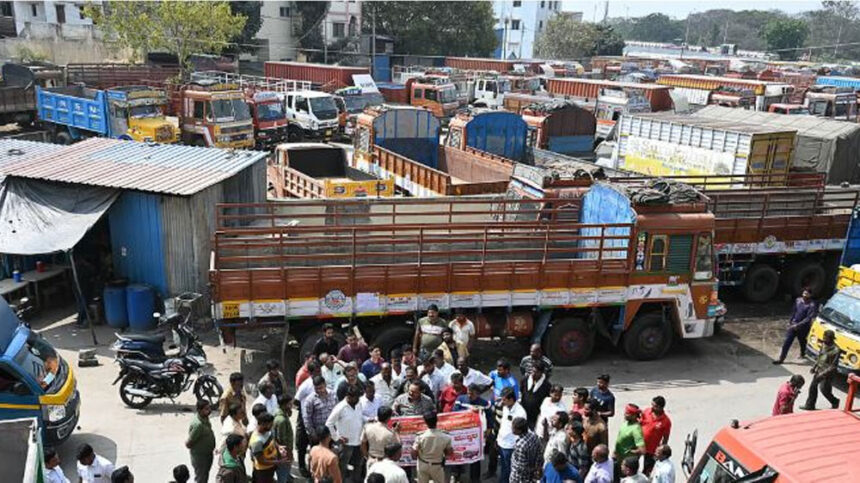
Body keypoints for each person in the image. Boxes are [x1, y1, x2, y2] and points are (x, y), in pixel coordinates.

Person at [453, 383, 493, 483]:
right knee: (459, 454)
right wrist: (469, 411)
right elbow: (454, 412)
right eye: (468, 393)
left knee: (475, 456)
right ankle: (456, 475)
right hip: (461, 434)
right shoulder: (461, 399)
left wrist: (488, 430)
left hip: (476, 436)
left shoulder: (484, 403)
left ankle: (475, 479)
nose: (469, 396)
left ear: (478, 393)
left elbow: (489, 417)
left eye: (472, 394)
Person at [327, 386, 366, 483]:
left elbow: (360, 417)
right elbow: (329, 423)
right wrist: (336, 437)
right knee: (342, 467)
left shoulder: (359, 404)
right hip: (345, 444)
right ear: (349, 396)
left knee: (358, 465)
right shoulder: (340, 407)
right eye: (355, 398)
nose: (357, 400)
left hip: (358, 441)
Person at [773, 288, 818, 364]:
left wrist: (798, 325)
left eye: (806, 294)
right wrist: (790, 322)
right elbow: (794, 311)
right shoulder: (798, 300)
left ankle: (803, 353)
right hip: (793, 325)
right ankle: (781, 358)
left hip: (803, 328)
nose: (804, 295)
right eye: (804, 293)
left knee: (802, 341)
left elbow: (808, 318)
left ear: (810, 295)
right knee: (787, 342)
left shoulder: (812, 305)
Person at [801, 329, 841, 410]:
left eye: (826, 338)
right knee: (812, 387)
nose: (824, 339)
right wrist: (814, 367)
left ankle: (835, 401)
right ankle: (810, 405)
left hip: (827, 373)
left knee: (824, 390)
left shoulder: (836, 350)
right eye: (824, 337)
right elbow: (820, 357)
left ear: (831, 339)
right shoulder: (823, 345)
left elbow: (833, 366)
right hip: (819, 370)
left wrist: (822, 374)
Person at [295, 361, 322, 478]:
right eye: (316, 371)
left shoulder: (321, 382)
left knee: (315, 444)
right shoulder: (306, 385)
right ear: (311, 372)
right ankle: (301, 466)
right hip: (305, 417)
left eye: (319, 370)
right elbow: (296, 400)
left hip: (316, 417)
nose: (319, 372)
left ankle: (313, 468)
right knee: (302, 443)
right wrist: (304, 409)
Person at [411, 411, 453, 483]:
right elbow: (449, 453)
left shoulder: (420, 436)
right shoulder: (446, 437)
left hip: (423, 464)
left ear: (425, 422)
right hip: (437, 465)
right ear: (437, 420)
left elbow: (413, 454)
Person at [498, 387, 528, 483]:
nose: (502, 402)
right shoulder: (506, 407)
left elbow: (520, 432)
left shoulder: (520, 413)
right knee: (503, 467)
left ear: (511, 400)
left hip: (510, 445)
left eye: (504, 400)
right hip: (501, 442)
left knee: (508, 469)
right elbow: (503, 424)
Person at [249, 412, 288, 483]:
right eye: (270, 424)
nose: (272, 426)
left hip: (270, 467)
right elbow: (261, 461)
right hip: (263, 471)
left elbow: (272, 440)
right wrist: (278, 462)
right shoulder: (257, 441)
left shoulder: (267, 431)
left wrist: (279, 447)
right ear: (263, 424)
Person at [186, 399, 216, 483]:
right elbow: (188, 443)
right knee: (200, 479)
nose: (209, 410)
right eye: (206, 409)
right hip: (200, 458)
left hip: (207, 455)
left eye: (209, 408)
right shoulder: (198, 425)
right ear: (199, 410)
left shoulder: (205, 418)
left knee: (204, 477)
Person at [303, 376, 339, 445]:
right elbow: (307, 419)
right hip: (318, 435)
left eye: (321, 388)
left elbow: (337, 413)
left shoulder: (333, 395)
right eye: (316, 389)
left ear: (325, 385)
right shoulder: (310, 400)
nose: (319, 390)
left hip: (332, 433)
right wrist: (313, 434)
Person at [640, 396, 671, 475]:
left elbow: (666, 437)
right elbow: (639, 423)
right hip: (639, 445)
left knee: (647, 470)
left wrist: (661, 452)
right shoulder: (646, 412)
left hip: (651, 450)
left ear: (660, 407)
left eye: (654, 406)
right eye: (652, 405)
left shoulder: (666, 421)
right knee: (632, 464)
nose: (652, 407)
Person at [510, 416, 542, 483]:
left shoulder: (520, 445)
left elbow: (521, 467)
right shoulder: (533, 436)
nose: (511, 429)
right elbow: (539, 453)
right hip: (530, 476)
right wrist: (537, 467)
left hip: (519, 478)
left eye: (513, 428)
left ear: (519, 430)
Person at [614, 404, 646, 471]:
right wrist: (615, 452)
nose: (624, 415)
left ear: (634, 416)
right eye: (625, 413)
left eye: (627, 413)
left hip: (626, 464)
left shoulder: (636, 429)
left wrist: (630, 452)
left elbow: (642, 450)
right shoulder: (626, 423)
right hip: (618, 458)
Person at [521, 361, 552, 429]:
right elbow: (522, 392)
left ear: (541, 373)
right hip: (524, 413)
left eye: (536, 372)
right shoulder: (525, 380)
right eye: (532, 371)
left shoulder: (547, 385)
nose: (533, 374)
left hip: (536, 416)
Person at [273, 394, 294, 483]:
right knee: (283, 475)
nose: (291, 406)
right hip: (284, 454)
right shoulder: (281, 420)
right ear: (284, 405)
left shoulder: (280, 414)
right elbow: (282, 440)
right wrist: (289, 454)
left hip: (282, 453)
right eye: (290, 404)